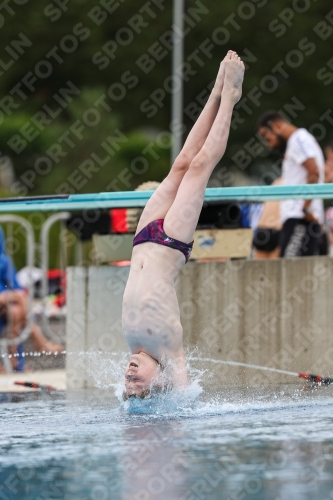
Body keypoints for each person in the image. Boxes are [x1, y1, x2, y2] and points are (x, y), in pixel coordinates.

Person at [121, 51, 245, 399]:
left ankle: (216, 88)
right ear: (158, 380)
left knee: (180, 164)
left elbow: (129, 398)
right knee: (200, 166)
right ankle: (230, 97)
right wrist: (177, 394)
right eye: (137, 382)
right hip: (171, 243)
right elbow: (183, 395)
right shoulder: (169, 351)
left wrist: (130, 400)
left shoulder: (133, 344)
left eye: (127, 381)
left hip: (143, 238)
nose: (129, 375)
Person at [257, 112, 325, 257]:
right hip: (301, 217)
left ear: (277, 126)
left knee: (291, 270)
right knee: (296, 270)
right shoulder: (300, 140)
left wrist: (306, 208)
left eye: (266, 136)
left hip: (300, 218)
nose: (269, 144)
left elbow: (313, 171)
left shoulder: (298, 140)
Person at [0, 228, 63, 372]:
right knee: (20, 298)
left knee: (16, 311)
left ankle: (15, 360)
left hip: (5, 305)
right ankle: (39, 342)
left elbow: (15, 286)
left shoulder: (3, 260)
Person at [253, 178, 282, 259]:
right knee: (277, 269)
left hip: (261, 228)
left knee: (258, 269)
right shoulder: (295, 183)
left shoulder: (276, 182)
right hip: (277, 228)